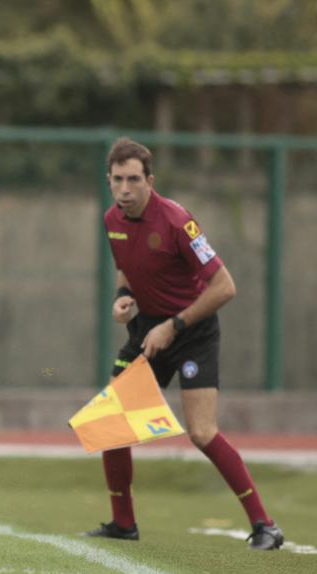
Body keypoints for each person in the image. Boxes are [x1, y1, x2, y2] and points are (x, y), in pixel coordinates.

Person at [86, 137, 283, 550]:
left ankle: (264, 524)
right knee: (111, 425)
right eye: (118, 179)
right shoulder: (111, 221)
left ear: (150, 180)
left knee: (201, 432)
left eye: (134, 179)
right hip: (147, 332)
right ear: (109, 181)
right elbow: (127, 273)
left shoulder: (177, 221)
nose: (125, 189)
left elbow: (225, 287)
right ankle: (124, 524)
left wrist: (172, 326)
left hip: (192, 332)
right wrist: (123, 301)